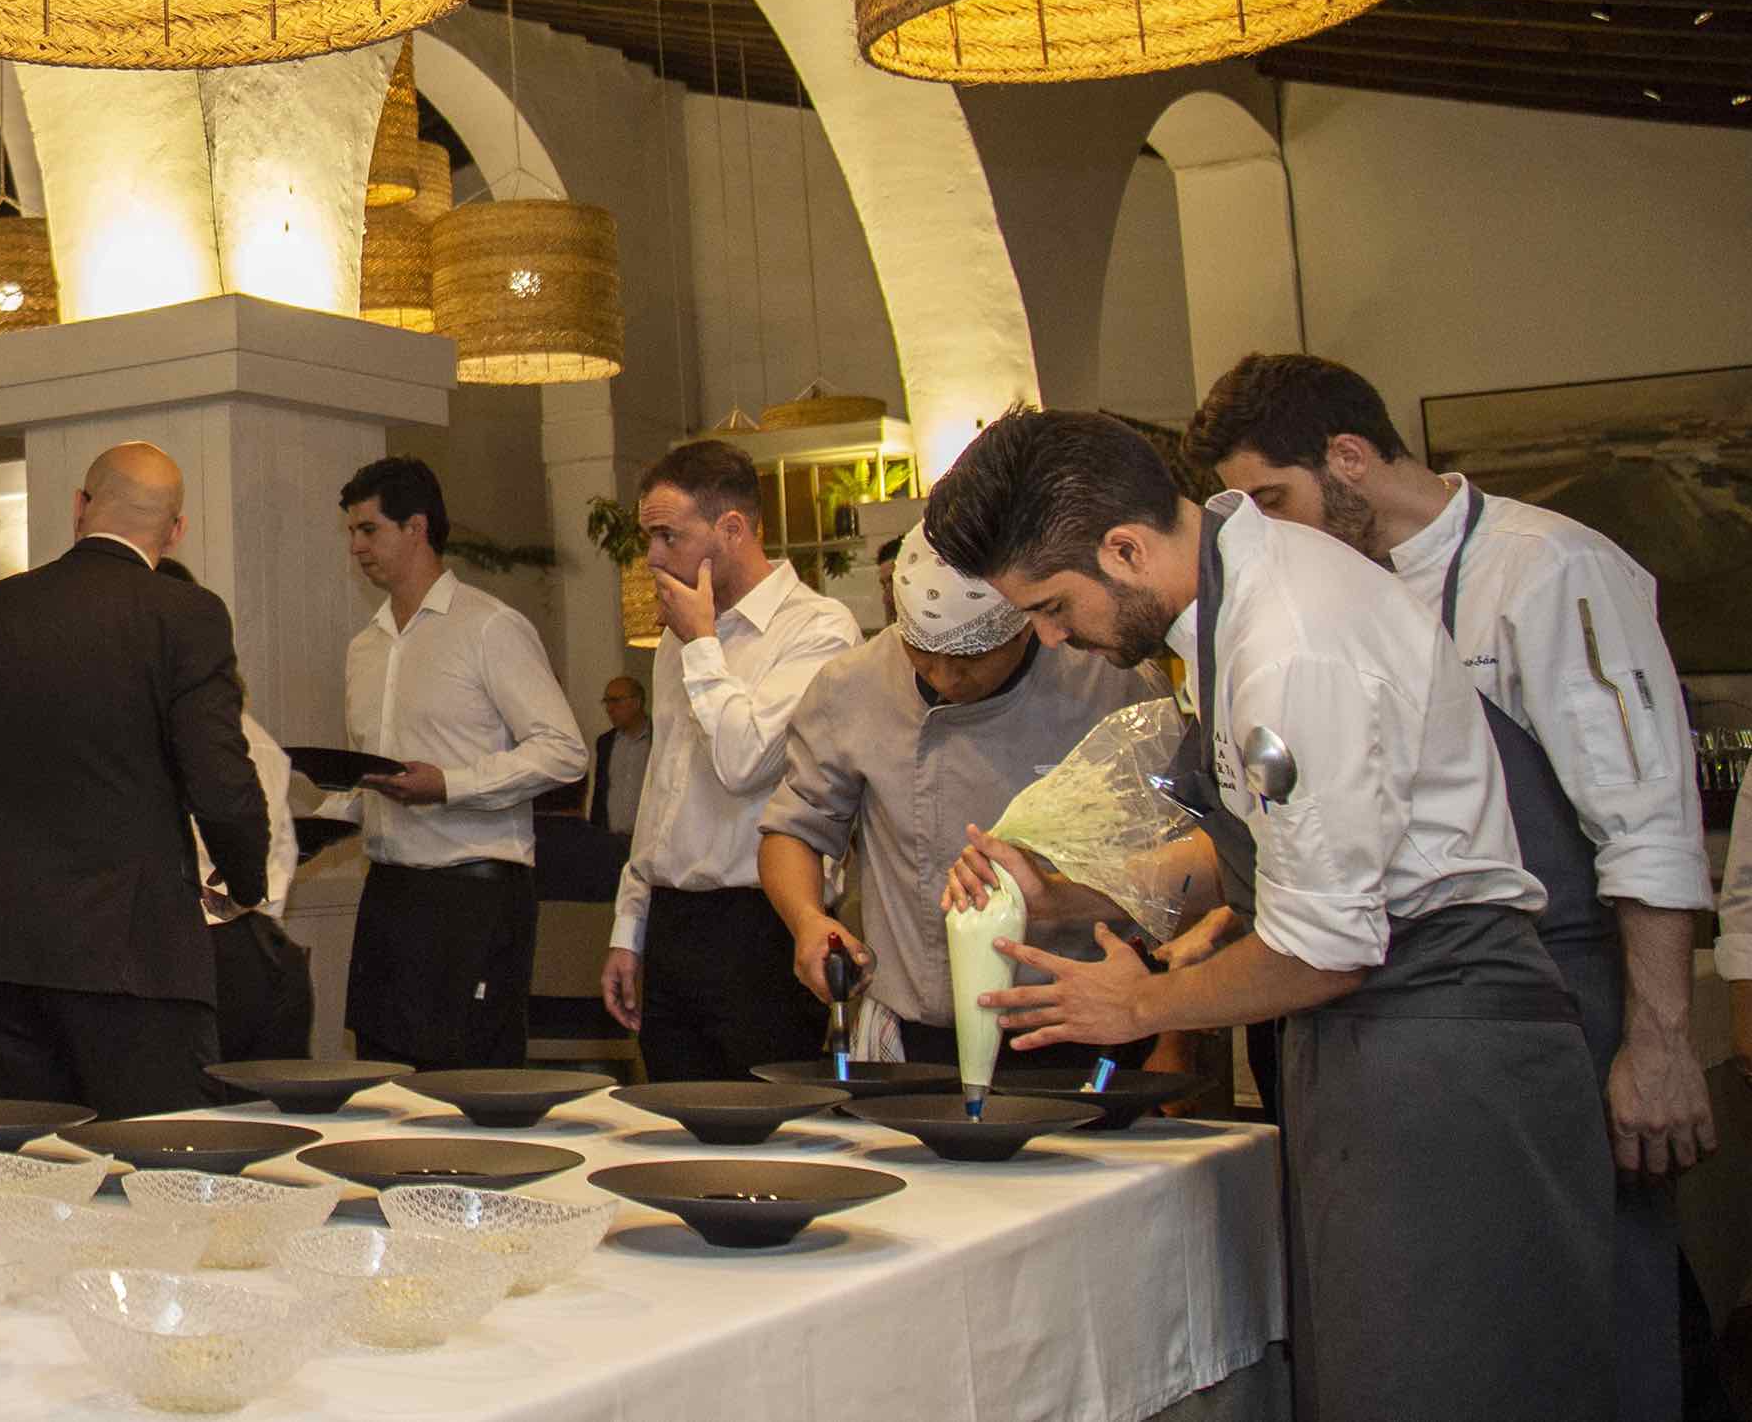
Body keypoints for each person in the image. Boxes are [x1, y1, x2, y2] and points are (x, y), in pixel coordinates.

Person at [931, 408, 1610, 1422]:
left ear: (1123, 548)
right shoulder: (1231, 598)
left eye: (1051, 603)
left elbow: (1329, 944)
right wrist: (1071, 891)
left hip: (1445, 1046)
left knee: (1440, 1382)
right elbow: (1267, 849)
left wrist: (1138, 1007)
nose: (1050, 634)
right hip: (1370, 1037)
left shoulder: (1290, 640)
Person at [1189, 351, 1715, 1422]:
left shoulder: (1546, 568)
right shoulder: (1313, 592)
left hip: (1560, 989)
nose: (1272, 534)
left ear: (1348, 457)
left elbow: (1647, 819)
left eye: (1279, 501)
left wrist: (1658, 1042)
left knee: (1588, 1308)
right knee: (1446, 1330)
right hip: (1394, 1016)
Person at [0, 442, 267, 1117]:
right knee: (152, 1167)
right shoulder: (185, 616)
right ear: (175, 530)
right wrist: (245, 880)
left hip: (6, 952)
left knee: (32, 1168)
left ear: (80, 508)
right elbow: (220, 782)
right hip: (136, 950)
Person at [756, 524, 1157, 1072]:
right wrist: (806, 921)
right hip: (918, 1029)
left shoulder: (1107, 680)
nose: (945, 678)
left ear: (1026, 627)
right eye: (921, 655)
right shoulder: (851, 687)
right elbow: (794, 827)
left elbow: (1168, 860)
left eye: (969, 662)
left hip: (1078, 1019)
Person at [606, 440, 860, 1081]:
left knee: (774, 1143)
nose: (653, 557)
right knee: (673, 1132)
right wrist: (628, 927)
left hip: (762, 927)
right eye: (648, 537)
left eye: (668, 535)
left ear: (733, 528)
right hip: (672, 919)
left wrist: (702, 645)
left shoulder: (819, 629)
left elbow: (744, 764)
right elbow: (662, 793)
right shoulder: (678, 638)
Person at [330, 456, 586, 1072]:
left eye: (370, 530)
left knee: (467, 1087)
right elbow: (380, 778)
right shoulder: (364, 647)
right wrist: (319, 818)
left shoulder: (489, 627)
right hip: (390, 891)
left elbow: (564, 751)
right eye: (352, 533)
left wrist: (451, 786)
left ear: (416, 527)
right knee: (381, 1080)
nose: (357, 547)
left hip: (474, 896)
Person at [163, 553, 311, 1064]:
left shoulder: (172, 734)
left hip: (200, 962)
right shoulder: (250, 733)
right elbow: (277, 864)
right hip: (255, 953)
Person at [587, 674, 649, 836]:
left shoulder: (658, 738)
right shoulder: (605, 742)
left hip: (647, 840)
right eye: (606, 702)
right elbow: (600, 793)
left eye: (615, 701)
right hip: (611, 840)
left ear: (637, 702)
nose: (609, 709)